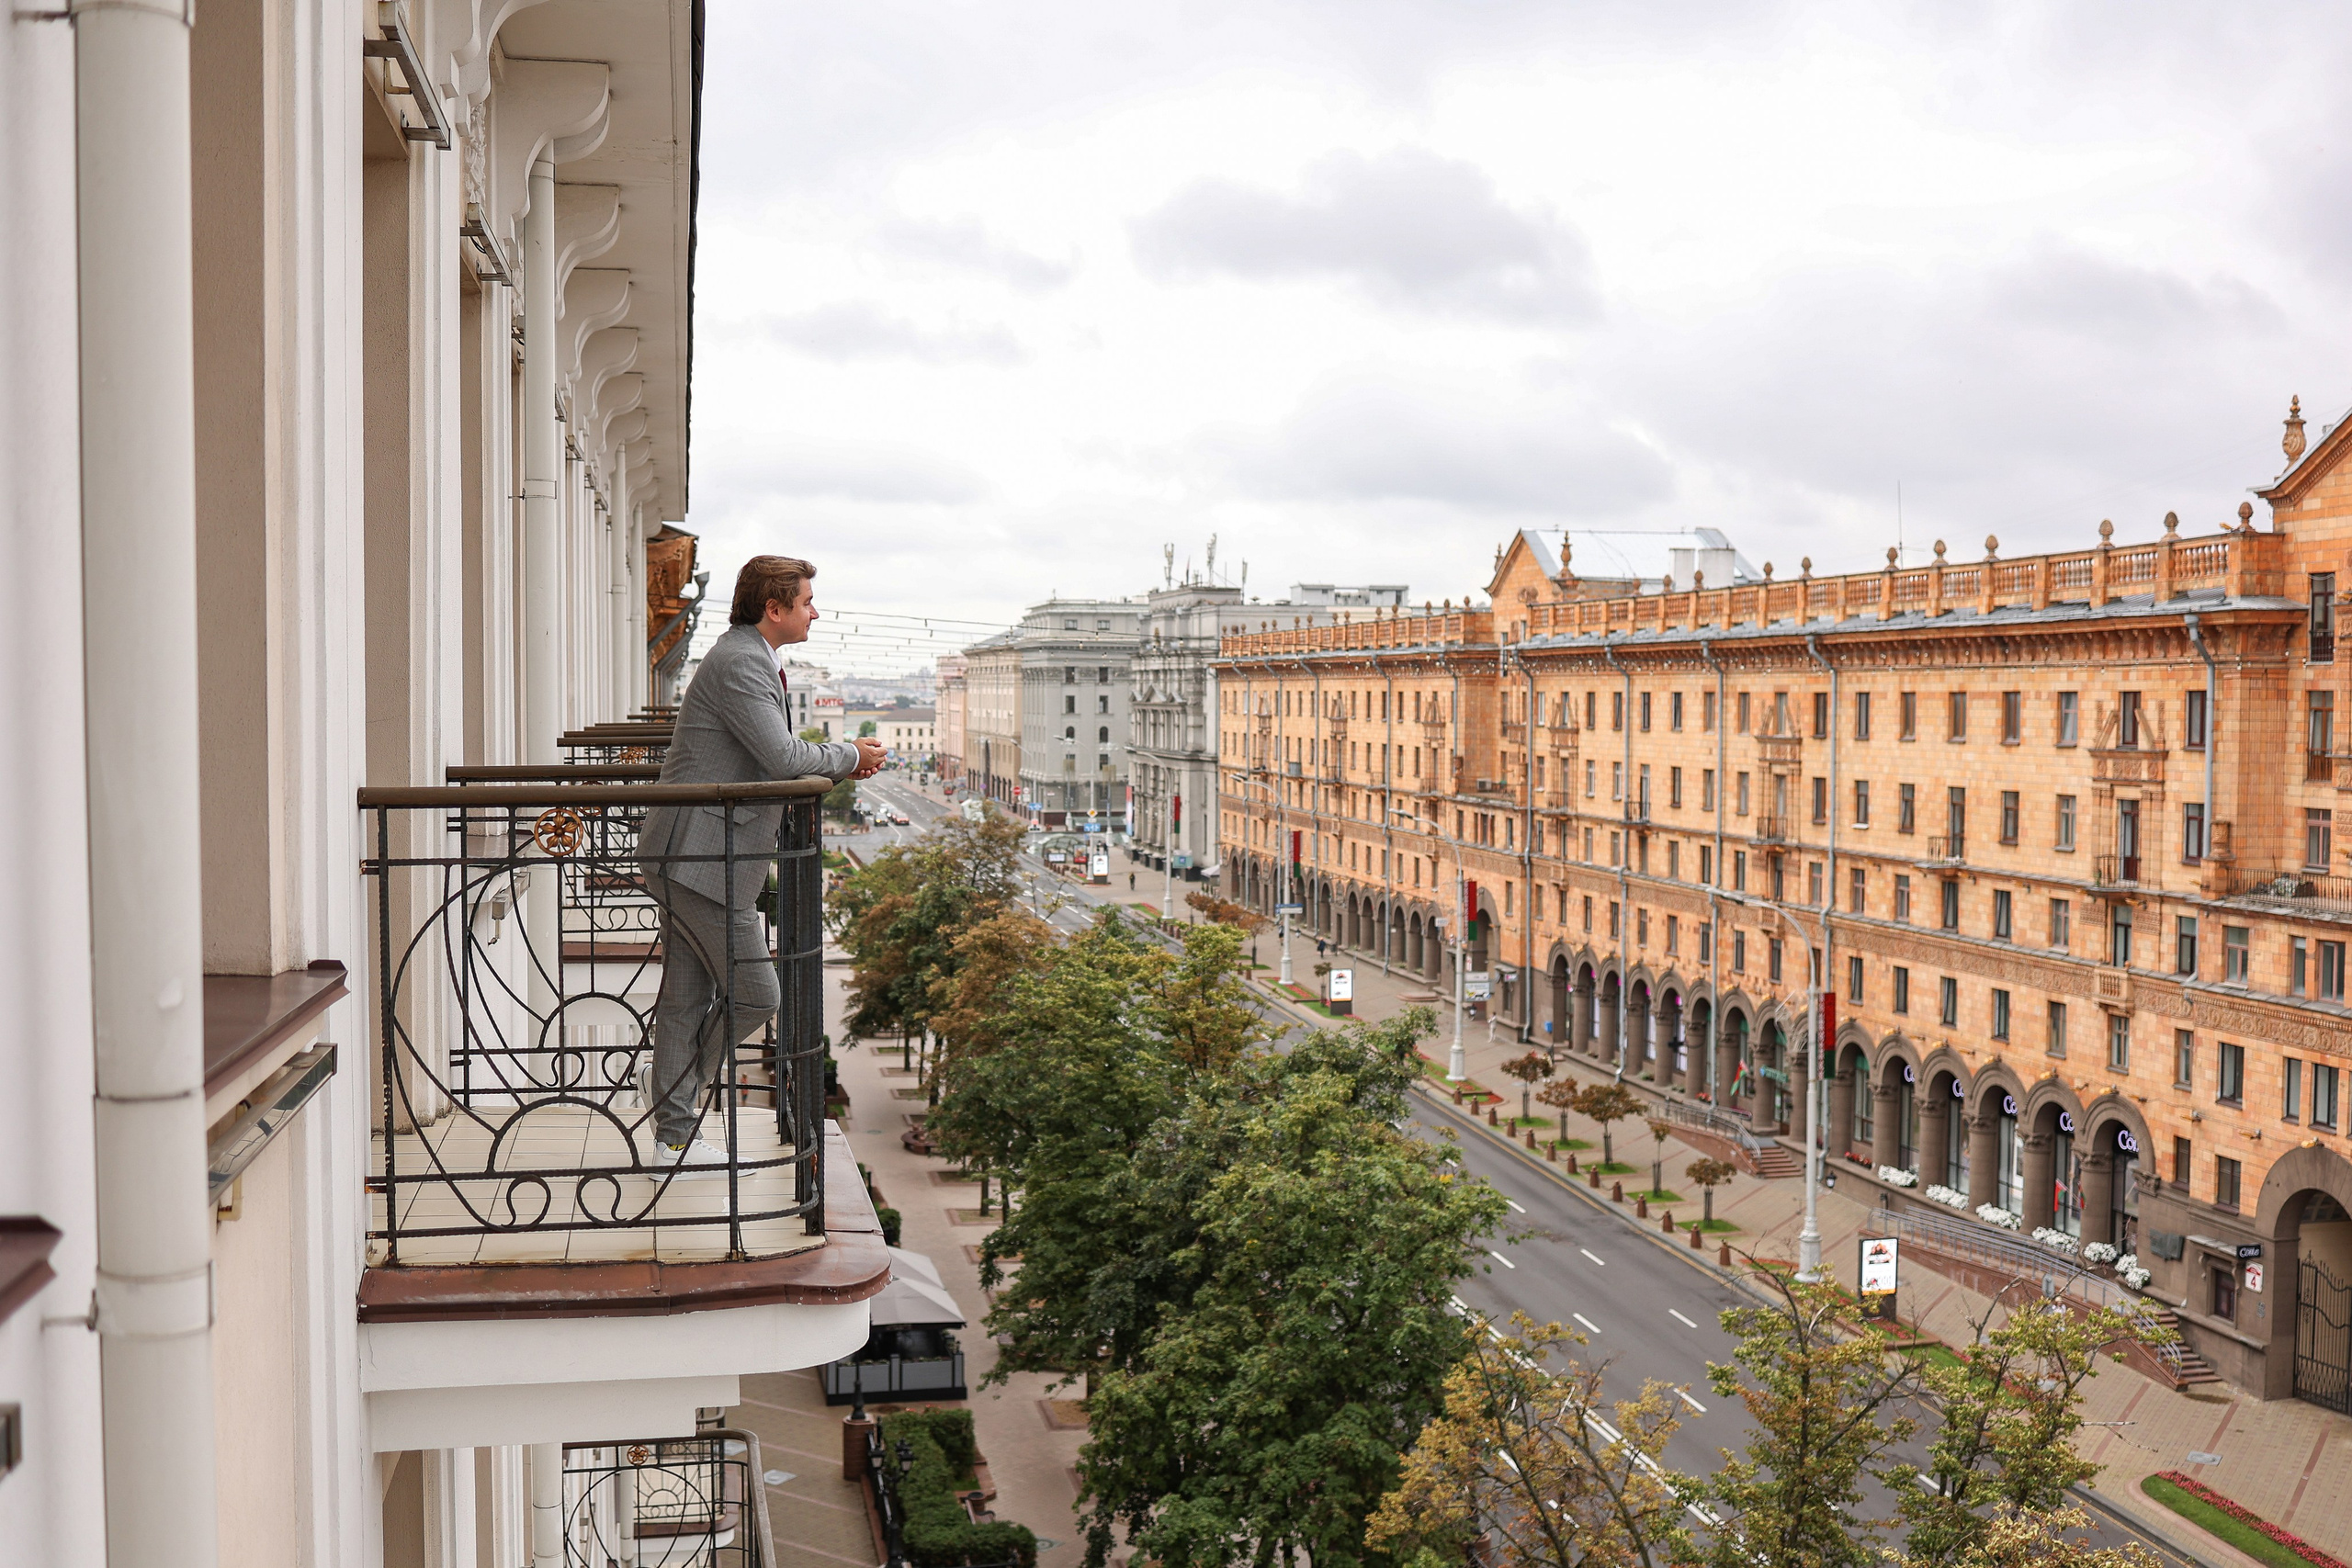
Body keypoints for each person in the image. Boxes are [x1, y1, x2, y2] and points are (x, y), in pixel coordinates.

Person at [635, 556, 884, 1172]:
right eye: (806, 601)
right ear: (773, 608)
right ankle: (674, 1094)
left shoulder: (747, 654)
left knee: (687, 996)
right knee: (756, 994)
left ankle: (673, 1134)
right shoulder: (742, 660)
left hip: (700, 855)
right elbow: (780, 755)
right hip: (698, 857)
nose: (815, 611)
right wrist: (850, 754)